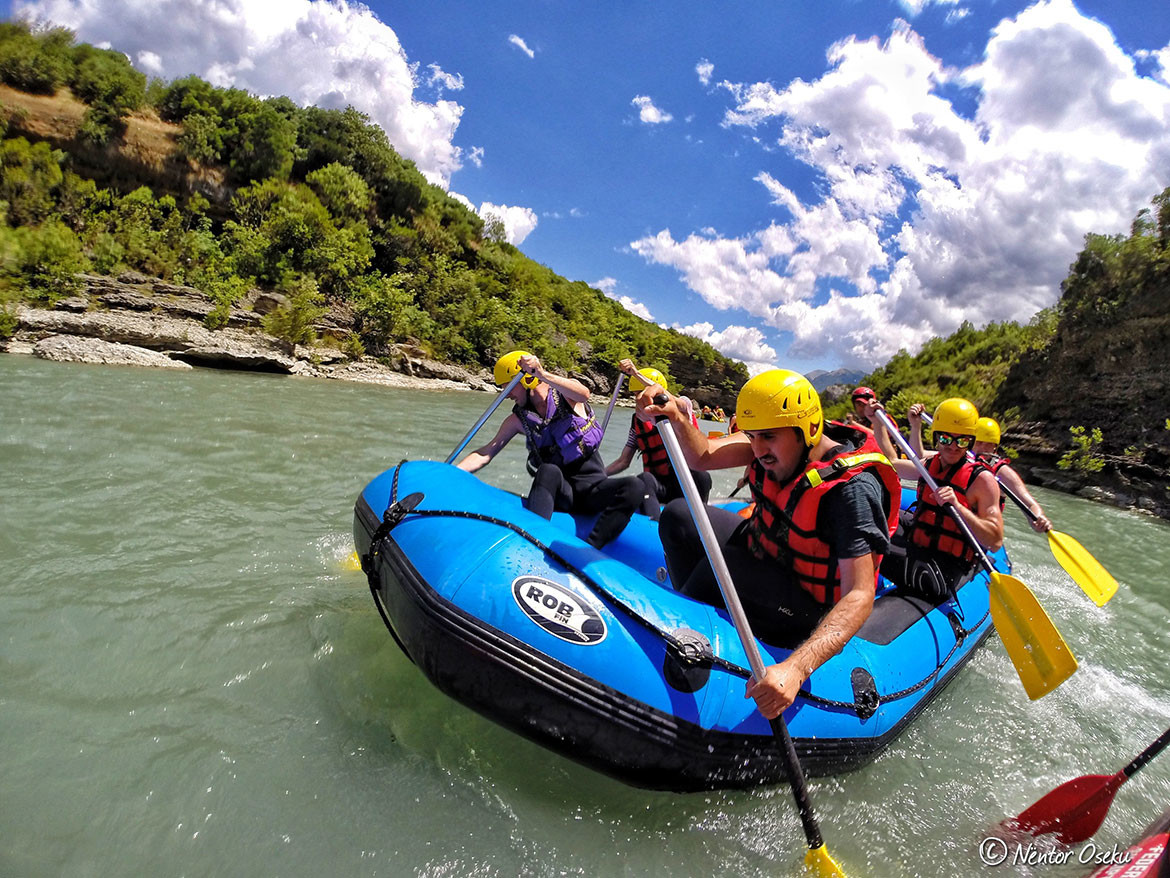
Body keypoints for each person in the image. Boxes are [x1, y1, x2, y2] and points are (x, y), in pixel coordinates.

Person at [647, 369, 900, 719]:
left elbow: (858, 595)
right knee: (679, 516)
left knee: (725, 569)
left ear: (808, 429)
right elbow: (702, 455)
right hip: (766, 553)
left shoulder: (851, 492)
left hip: (806, 603)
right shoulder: (771, 443)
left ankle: (683, 646)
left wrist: (795, 669)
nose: (757, 449)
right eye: (751, 436)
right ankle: (700, 617)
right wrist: (675, 416)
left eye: (768, 437)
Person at [457, 350, 645, 548]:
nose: (506, 395)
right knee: (548, 470)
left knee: (635, 485)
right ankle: (531, 541)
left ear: (526, 379)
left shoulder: (566, 396)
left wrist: (541, 373)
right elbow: (486, 452)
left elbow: (584, 393)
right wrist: (454, 471)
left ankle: (590, 548)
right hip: (561, 494)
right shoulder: (517, 420)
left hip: (592, 490)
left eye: (508, 387)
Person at [869, 397, 1004, 598]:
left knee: (864, 543)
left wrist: (959, 507)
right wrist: (877, 422)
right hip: (920, 545)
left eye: (962, 440)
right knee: (871, 518)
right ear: (936, 438)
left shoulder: (982, 481)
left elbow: (995, 541)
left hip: (941, 572)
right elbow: (891, 462)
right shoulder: (930, 464)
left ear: (971, 441)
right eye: (946, 439)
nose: (953, 447)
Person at [604, 360, 712, 518]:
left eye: (641, 392)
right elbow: (623, 461)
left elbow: (672, 400)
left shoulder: (683, 409)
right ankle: (653, 527)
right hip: (659, 487)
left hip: (686, 484)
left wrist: (635, 373)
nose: (638, 398)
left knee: (701, 475)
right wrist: (598, 475)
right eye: (635, 394)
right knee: (644, 479)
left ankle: (700, 520)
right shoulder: (637, 424)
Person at [973, 417, 1052, 534]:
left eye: (989, 444)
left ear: (995, 447)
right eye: (978, 443)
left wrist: (1039, 517)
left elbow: (1029, 503)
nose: (982, 449)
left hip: (981, 534)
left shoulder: (1002, 472)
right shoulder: (957, 459)